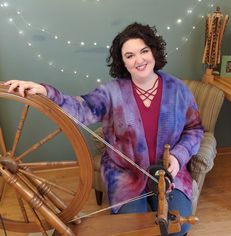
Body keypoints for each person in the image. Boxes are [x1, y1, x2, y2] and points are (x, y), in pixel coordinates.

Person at [4, 22, 203, 236]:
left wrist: (178, 157)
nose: (139, 60)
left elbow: (195, 129)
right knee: (133, 230)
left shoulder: (178, 89)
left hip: (168, 173)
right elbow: (81, 108)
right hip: (126, 176)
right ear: (123, 62)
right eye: (130, 55)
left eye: (144, 51)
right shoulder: (111, 92)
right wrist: (45, 91)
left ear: (154, 52)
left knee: (177, 227)